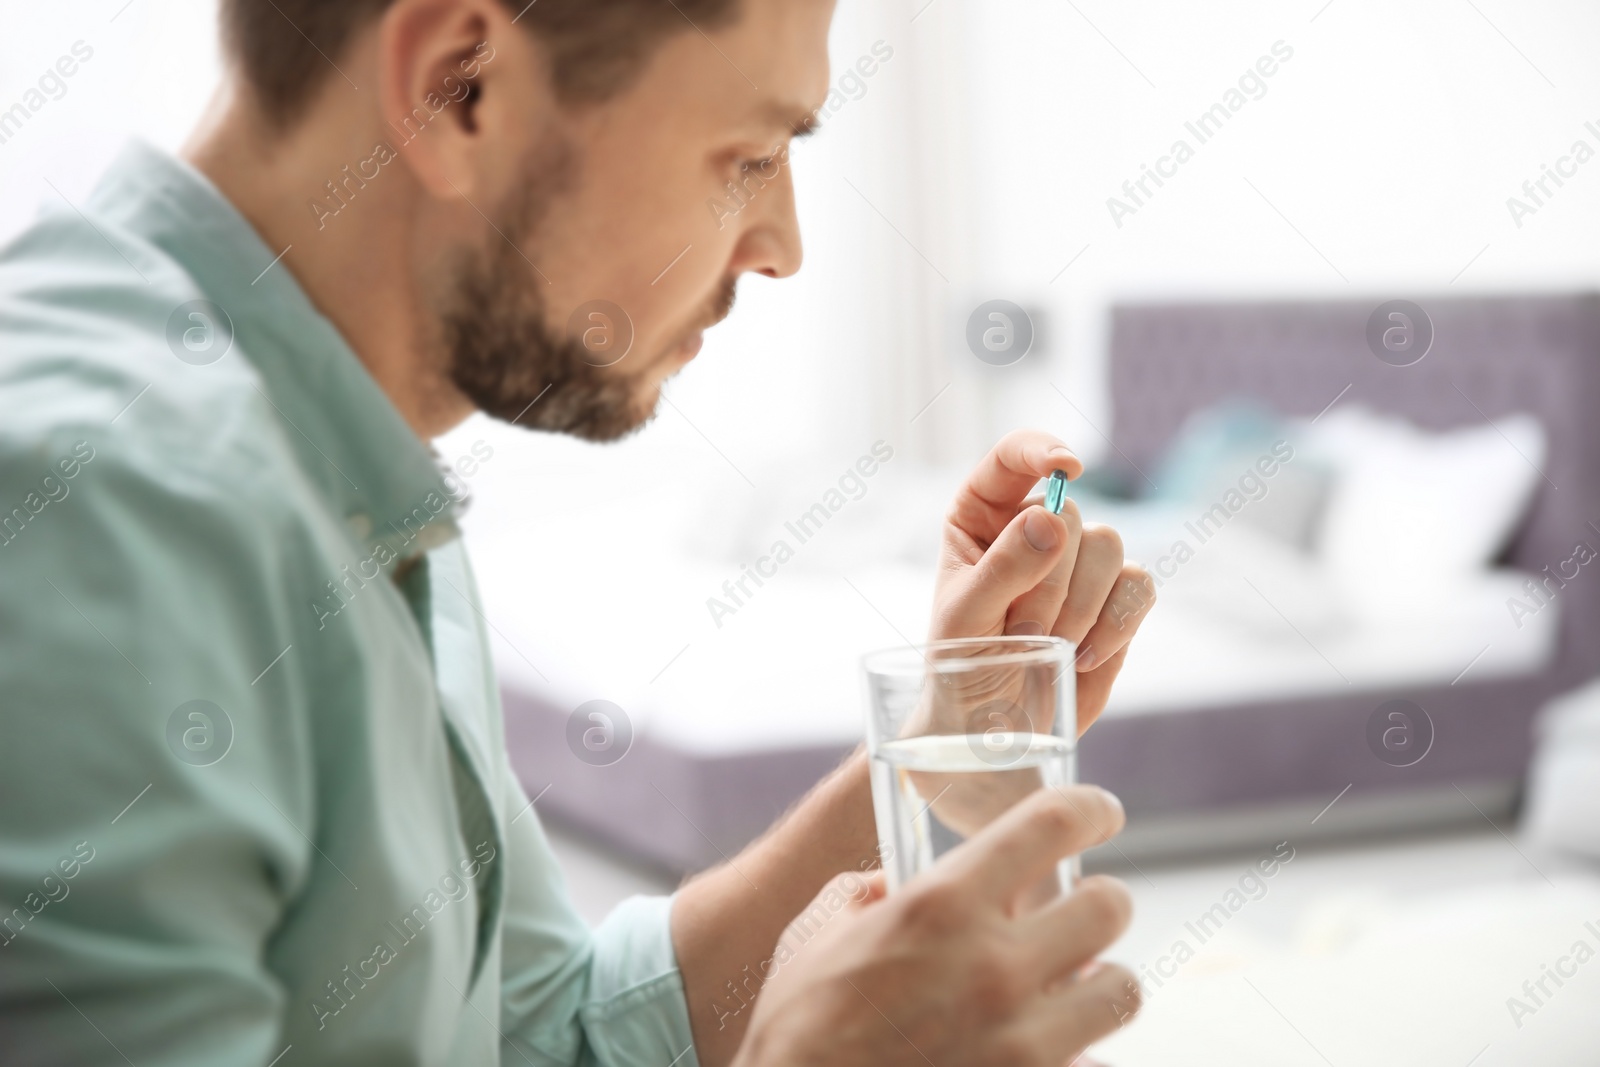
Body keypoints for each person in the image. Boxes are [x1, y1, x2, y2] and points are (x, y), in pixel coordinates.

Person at [0, 1, 1155, 1063]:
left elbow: (547, 1023)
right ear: (462, 89)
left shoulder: (344, 456)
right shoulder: (99, 510)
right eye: (748, 155)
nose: (781, 244)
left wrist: (930, 746)